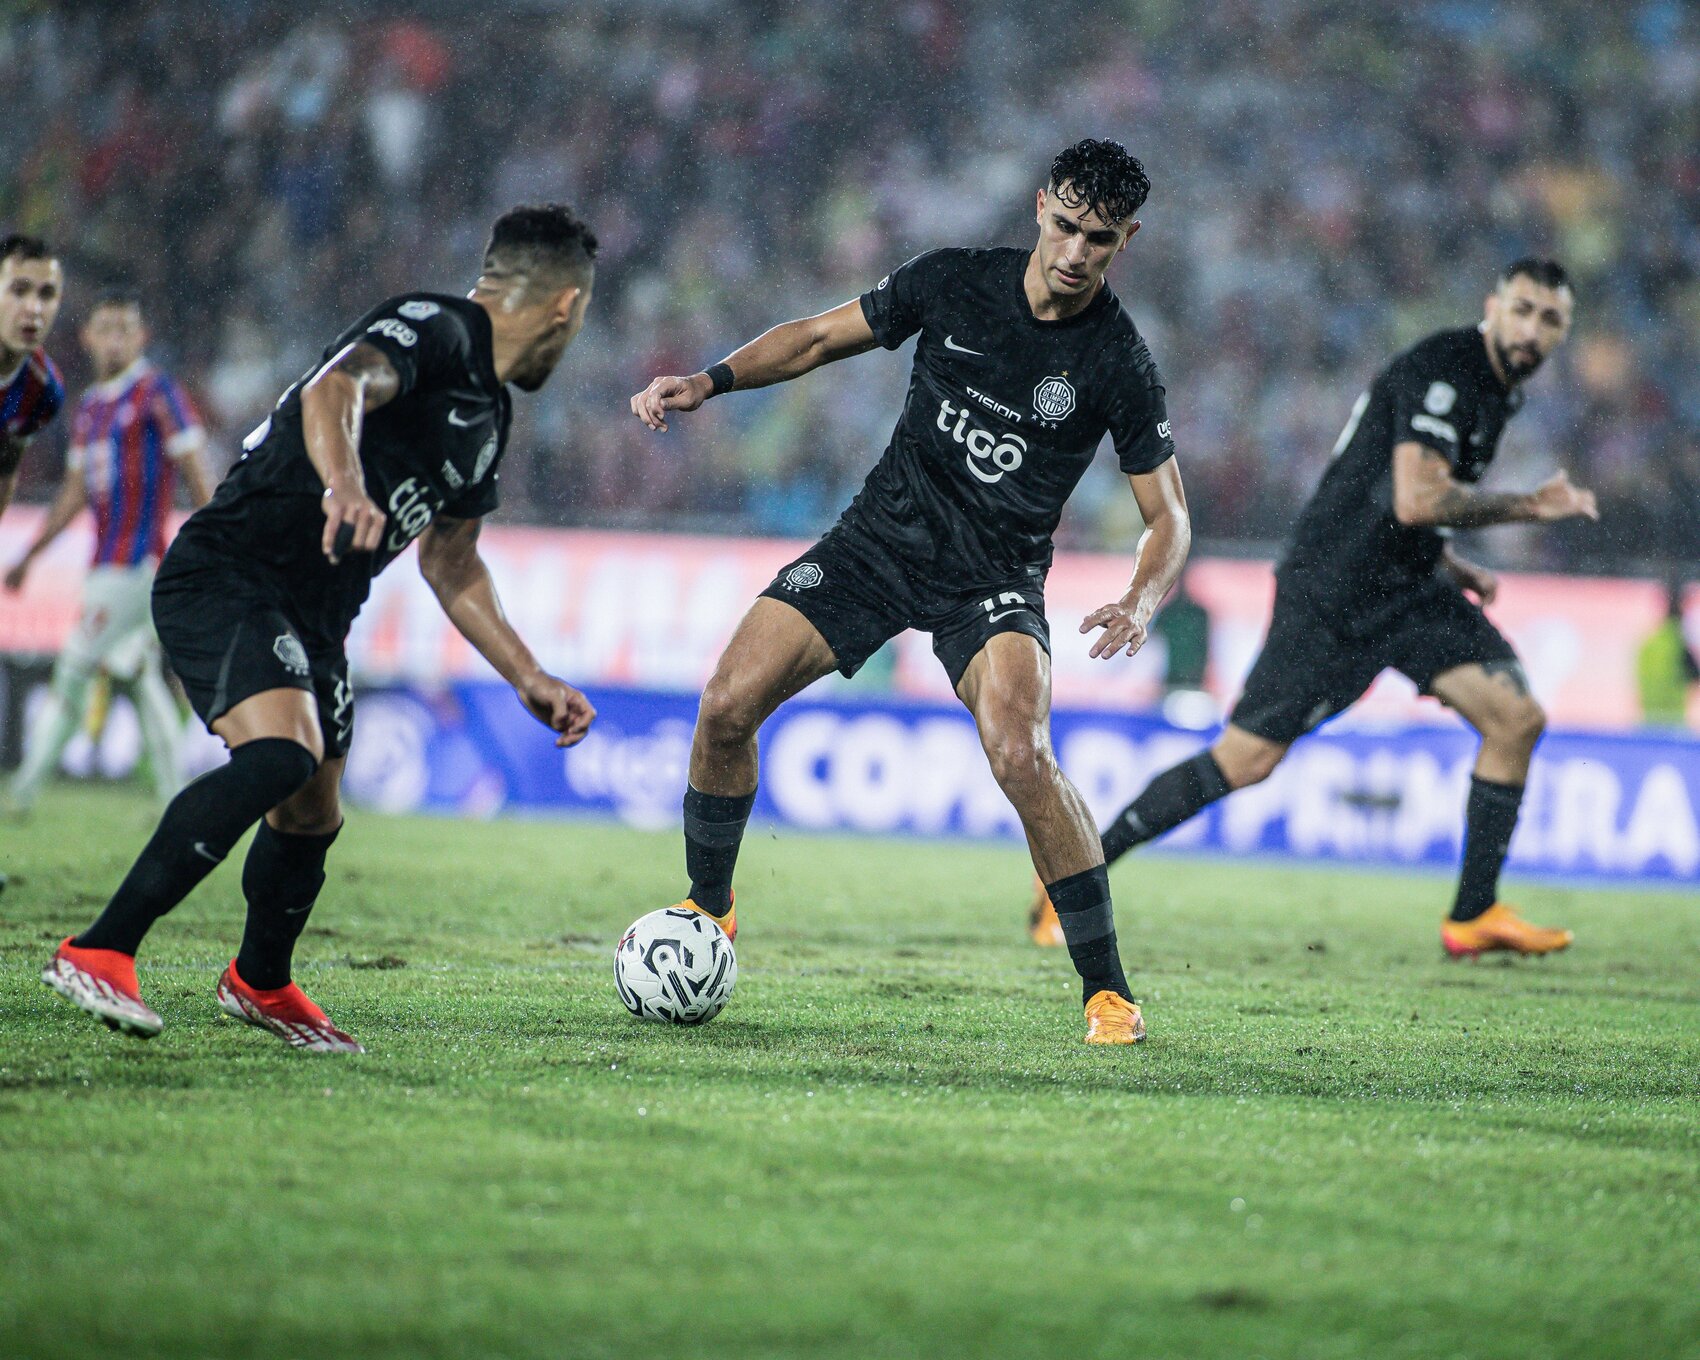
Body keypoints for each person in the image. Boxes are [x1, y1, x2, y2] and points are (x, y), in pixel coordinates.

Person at [632, 140, 1190, 1045]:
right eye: (1065, 226)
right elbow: (818, 338)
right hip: (878, 544)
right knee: (726, 704)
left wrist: (1141, 597)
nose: (1076, 251)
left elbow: (1169, 517)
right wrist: (709, 381)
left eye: (1099, 238)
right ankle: (709, 911)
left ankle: (1108, 995)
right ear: (1039, 206)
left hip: (994, 578)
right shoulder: (954, 280)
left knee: (1020, 753)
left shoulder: (1118, 361)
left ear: (1126, 239)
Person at [42, 204, 600, 1051]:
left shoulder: (490, 420)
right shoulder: (438, 327)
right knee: (280, 755)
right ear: (566, 306)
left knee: (311, 814)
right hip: (231, 570)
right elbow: (335, 387)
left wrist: (531, 676)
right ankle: (99, 948)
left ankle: (260, 982)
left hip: (316, 618)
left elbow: (452, 563)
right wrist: (344, 482)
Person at [1061, 259, 1596, 959]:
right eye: (1522, 310)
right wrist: (1529, 505)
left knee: (1515, 718)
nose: (1532, 329)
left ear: (1564, 330)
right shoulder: (1445, 369)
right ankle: (1073, 880)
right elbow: (1416, 499)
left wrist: (1449, 563)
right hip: (1334, 589)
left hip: (1406, 586)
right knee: (1245, 759)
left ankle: (1473, 915)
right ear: (1493, 307)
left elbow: (1391, 498)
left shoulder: (1497, 391)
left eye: (1550, 319)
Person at [6, 292, 216, 813]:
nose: (115, 340)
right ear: (88, 337)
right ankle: (173, 796)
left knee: (75, 663)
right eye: (106, 329)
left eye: (125, 330)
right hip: (105, 563)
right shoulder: (91, 407)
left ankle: (23, 791)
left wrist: (218, 536)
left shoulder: (156, 391)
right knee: (141, 677)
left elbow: (194, 465)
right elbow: (74, 493)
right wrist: (31, 555)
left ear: (142, 337)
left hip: (137, 562)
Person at [0, 234, 67, 522]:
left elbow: (5, 473)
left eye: (46, 294)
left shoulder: (43, 391)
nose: (34, 309)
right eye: (19, 290)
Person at [1636, 579, 1697, 726]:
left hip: (1648, 722)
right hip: (1673, 723)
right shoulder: (1680, 644)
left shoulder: (1647, 643)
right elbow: (1695, 676)